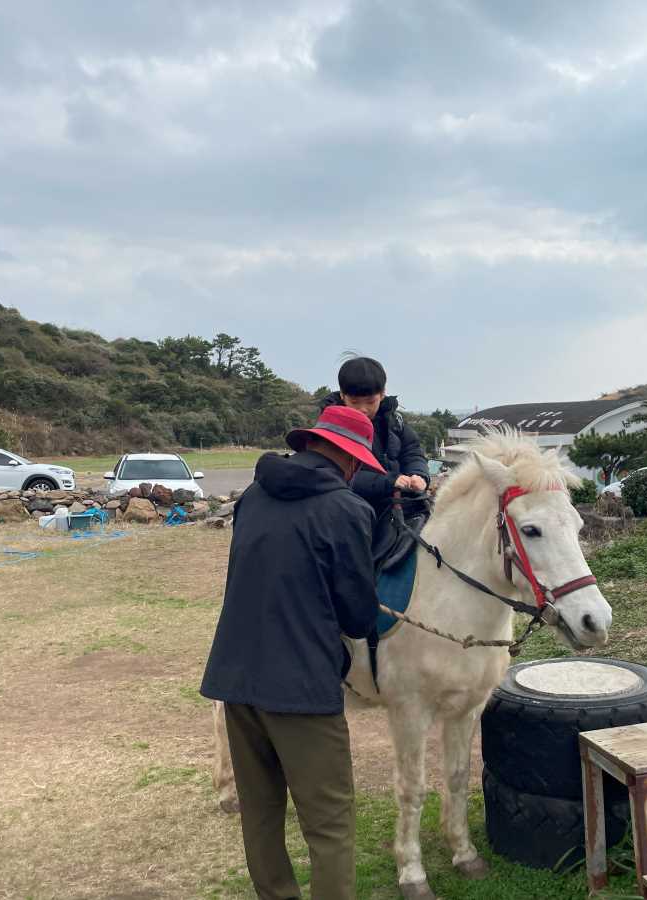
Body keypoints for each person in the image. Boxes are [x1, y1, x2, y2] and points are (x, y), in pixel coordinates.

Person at [199, 405, 383, 900]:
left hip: (236, 680)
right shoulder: (348, 510)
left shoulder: (253, 496)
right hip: (301, 688)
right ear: (349, 459)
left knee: (260, 815)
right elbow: (359, 618)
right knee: (329, 825)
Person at [321, 356, 431, 560]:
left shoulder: (395, 422)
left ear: (382, 394)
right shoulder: (330, 429)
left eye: (371, 401)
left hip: (396, 505)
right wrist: (389, 481)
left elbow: (412, 451)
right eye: (354, 402)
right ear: (343, 396)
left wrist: (419, 475)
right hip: (352, 510)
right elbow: (336, 475)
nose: (363, 409)